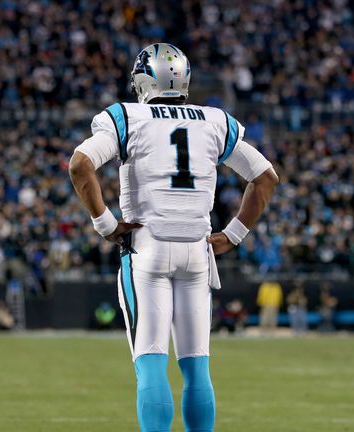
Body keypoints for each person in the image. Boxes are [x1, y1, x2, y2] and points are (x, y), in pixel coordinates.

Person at [69, 43, 278, 432]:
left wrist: (105, 224)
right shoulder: (213, 120)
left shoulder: (128, 116)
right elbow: (265, 177)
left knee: (151, 365)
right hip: (198, 254)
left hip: (147, 247)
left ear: (144, 81)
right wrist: (233, 234)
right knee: (197, 369)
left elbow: (80, 164)